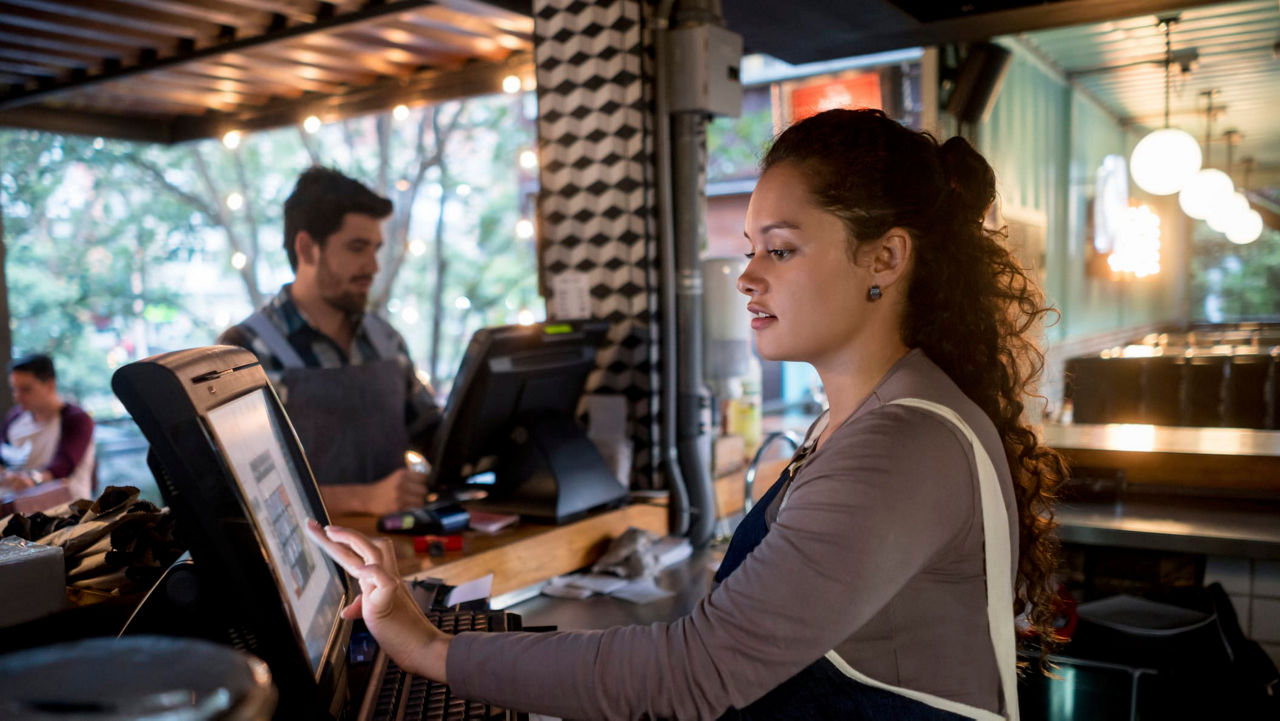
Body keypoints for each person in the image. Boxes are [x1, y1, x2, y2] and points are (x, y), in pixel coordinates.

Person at [307, 109, 1068, 719]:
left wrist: (429, 648)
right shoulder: (870, 416)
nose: (747, 277)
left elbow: (698, 671)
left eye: (780, 250)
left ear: (885, 258)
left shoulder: (902, 443)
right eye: (750, 249)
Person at [219, 167, 441, 517]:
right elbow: (236, 491)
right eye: (357, 248)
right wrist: (364, 500)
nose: (373, 266)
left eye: (376, 249)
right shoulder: (243, 352)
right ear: (307, 249)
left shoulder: (387, 340)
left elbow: (433, 437)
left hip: (399, 560)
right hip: (304, 568)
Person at [2, 354, 96, 502]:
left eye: (26, 389)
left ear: (50, 385)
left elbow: (63, 466)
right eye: (15, 389)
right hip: (21, 509)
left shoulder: (76, 419)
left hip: (68, 511)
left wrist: (31, 480)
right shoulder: (14, 418)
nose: (17, 397)